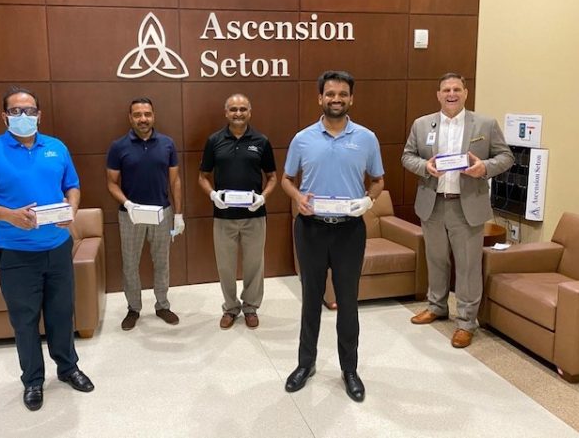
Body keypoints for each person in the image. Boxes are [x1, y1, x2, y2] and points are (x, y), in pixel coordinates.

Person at [0, 86, 94, 412]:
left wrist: (72, 209)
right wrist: (11, 216)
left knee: (61, 314)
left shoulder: (56, 147)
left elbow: (73, 185)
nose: (23, 117)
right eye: (16, 111)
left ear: (39, 114)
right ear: (4, 116)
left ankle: (68, 369)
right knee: (24, 320)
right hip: (17, 253)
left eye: (29, 111)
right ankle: (33, 381)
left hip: (57, 248)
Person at [281, 70, 384, 402]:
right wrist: (298, 199)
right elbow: (286, 180)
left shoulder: (367, 138)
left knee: (348, 303)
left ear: (351, 98)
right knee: (311, 299)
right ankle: (305, 364)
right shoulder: (302, 138)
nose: (336, 99)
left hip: (349, 231)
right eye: (330, 94)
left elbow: (379, 181)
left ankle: (349, 370)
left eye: (342, 94)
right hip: (310, 229)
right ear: (320, 98)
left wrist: (367, 201)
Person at [402, 72, 513, 348]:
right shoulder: (422, 124)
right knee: (436, 260)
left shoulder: (485, 124)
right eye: (445, 90)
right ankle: (437, 306)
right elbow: (407, 156)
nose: (451, 94)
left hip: (467, 206)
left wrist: (484, 168)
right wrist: (425, 167)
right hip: (433, 203)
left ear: (465, 93)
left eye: (456, 89)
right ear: (438, 94)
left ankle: (466, 322)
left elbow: (506, 157)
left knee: (467, 266)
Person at [198, 94, 277, 329]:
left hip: (254, 216)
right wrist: (213, 195)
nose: (238, 113)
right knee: (225, 266)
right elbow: (202, 177)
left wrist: (263, 197)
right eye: (233, 109)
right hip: (223, 217)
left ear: (250, 112)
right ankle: (231, 308)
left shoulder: (261, 141)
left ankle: (250, 307)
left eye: (243, 109)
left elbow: (273, 177)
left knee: (255, 264)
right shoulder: (214, 141)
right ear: (226, 113)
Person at [106, 97, 184, 331]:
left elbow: (175, 180)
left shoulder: (167, 144)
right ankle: (134, 308)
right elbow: (111, 183)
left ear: (153, 116)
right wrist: (127, 203)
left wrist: (178, 214)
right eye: (138, 114)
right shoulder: (118, 147)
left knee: (162, 262)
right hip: (131, 215)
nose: (143, 119)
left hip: (162, 213)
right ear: (130, 118)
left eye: (147, 114)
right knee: (130, 263)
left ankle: (162, 305)